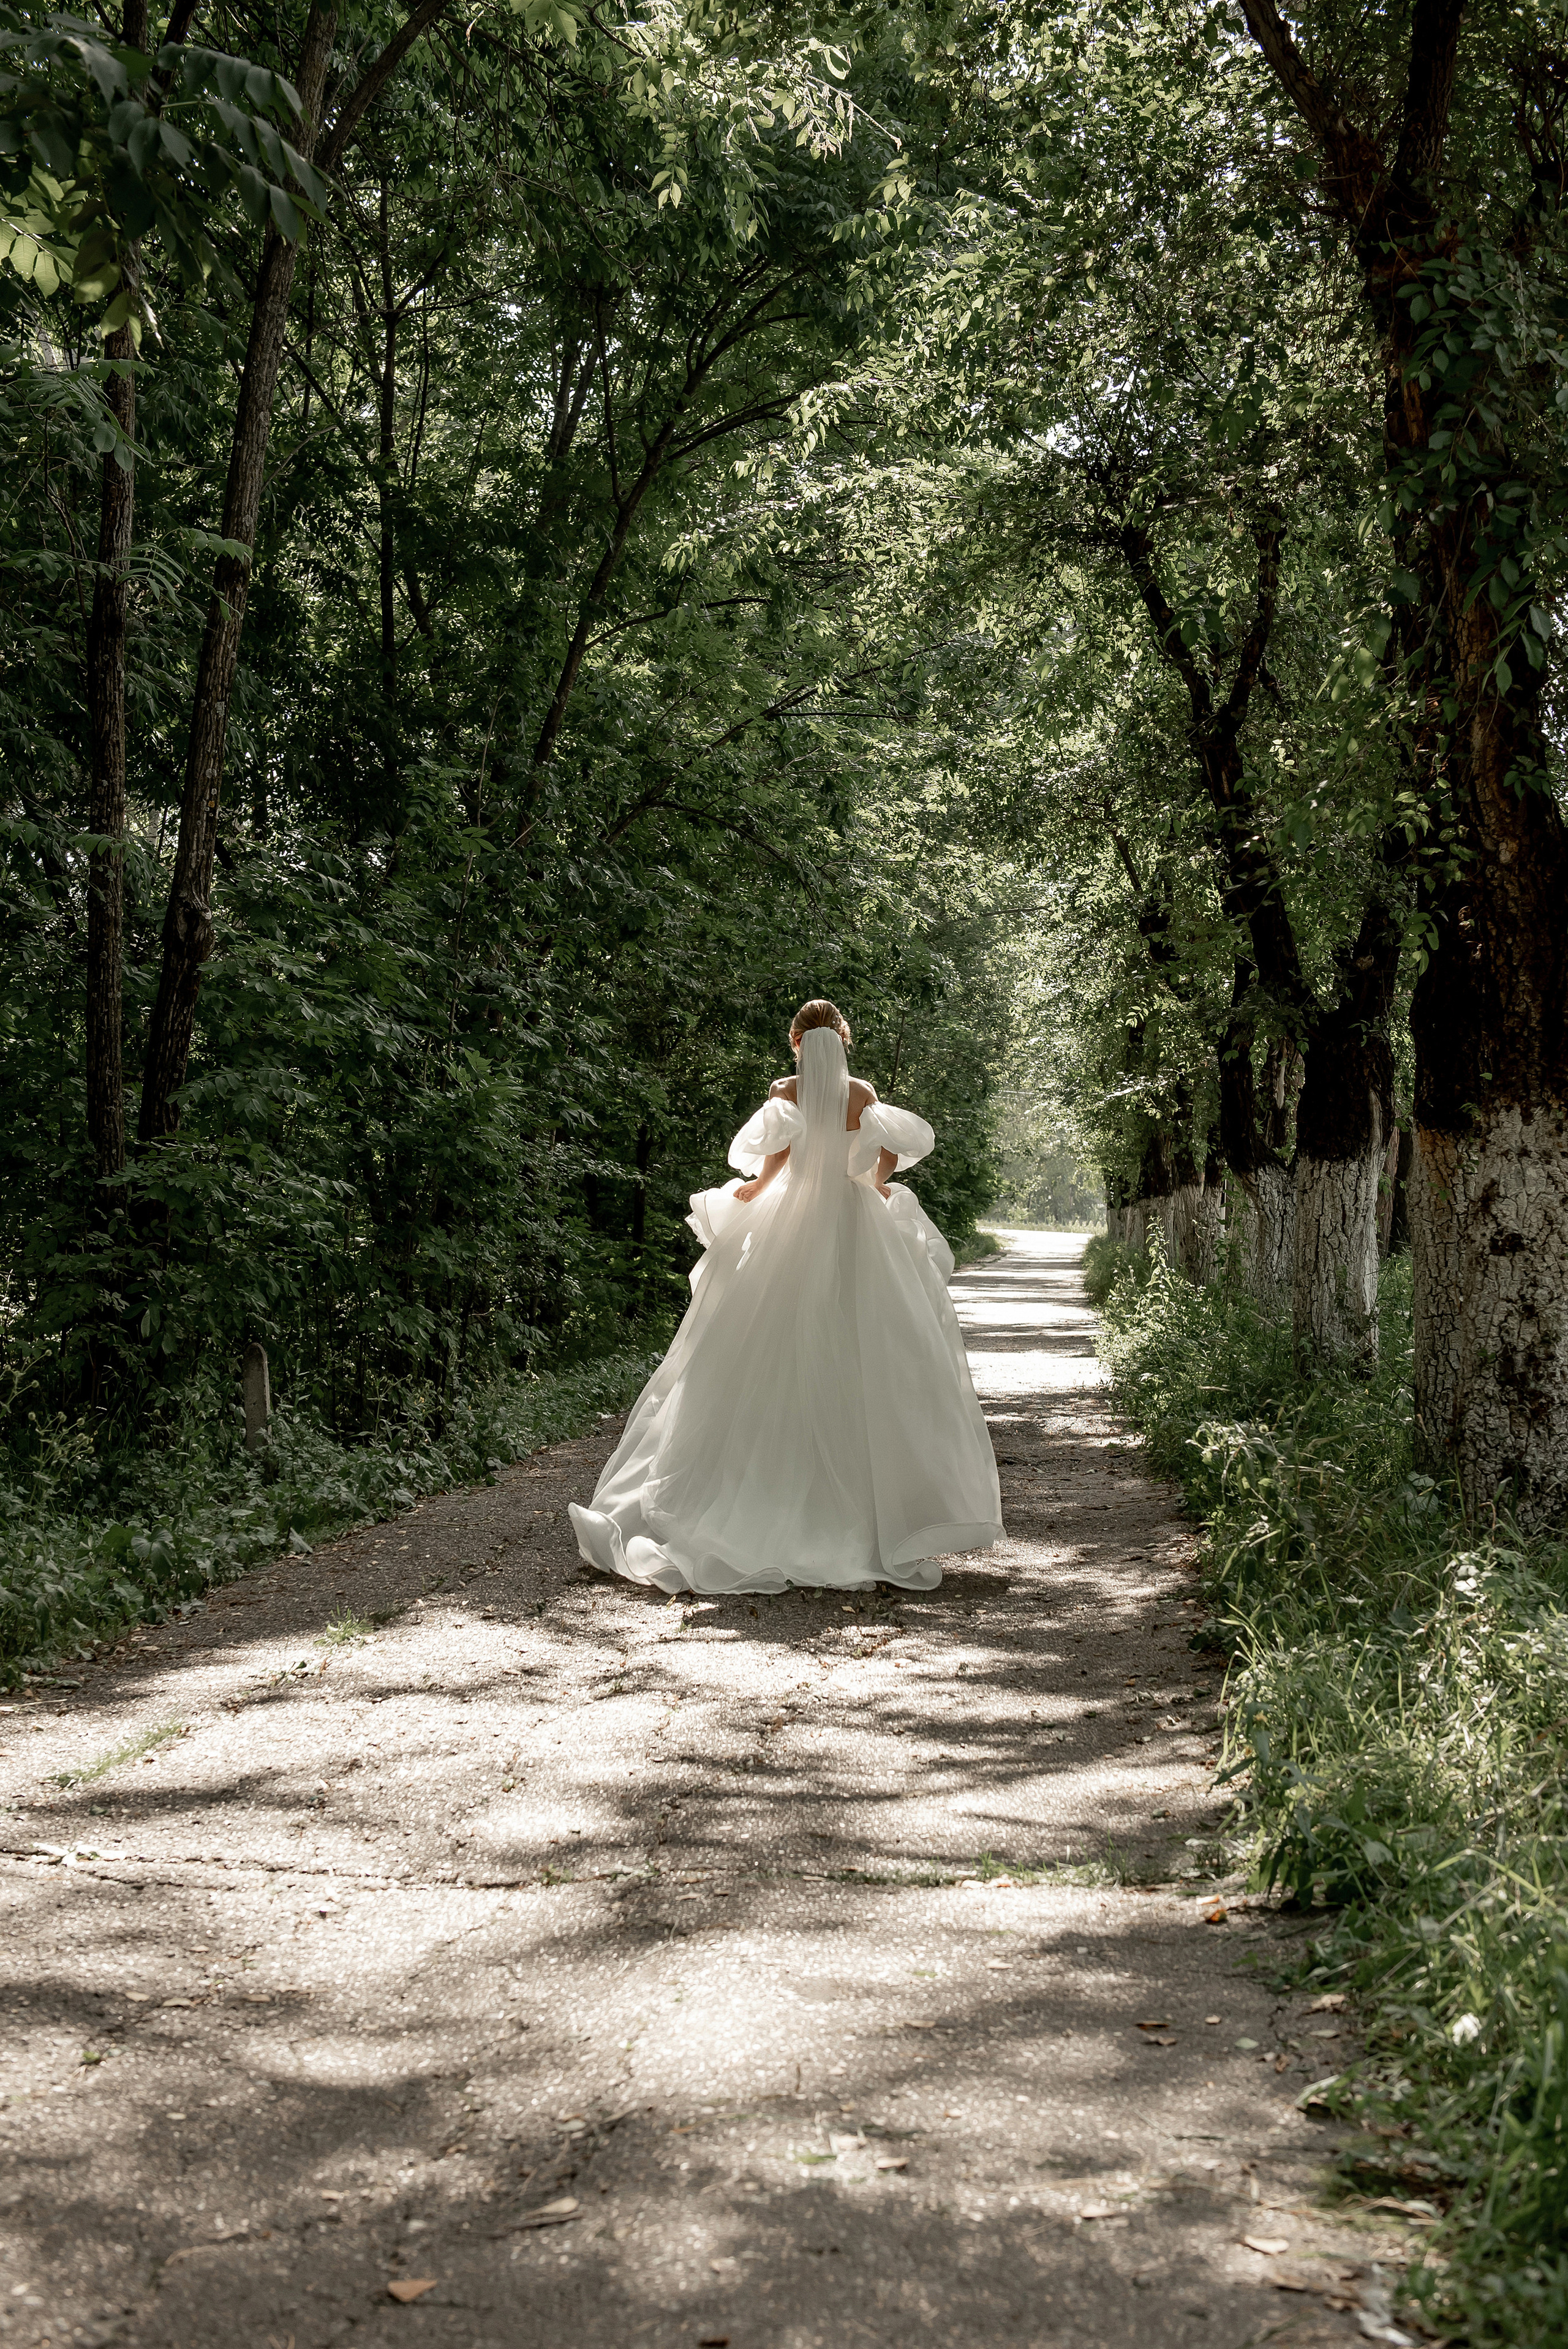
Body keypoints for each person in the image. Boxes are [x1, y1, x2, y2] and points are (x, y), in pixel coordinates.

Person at [568, 999, 1003, 1594]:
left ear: (797, 1042)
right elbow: (886, 1154)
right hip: (852, 1218)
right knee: (867, 1346)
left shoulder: (785, 1090)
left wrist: (753, 1194)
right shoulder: (861, 1093)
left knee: (758, 1347)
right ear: (843, 1039)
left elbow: (775, 1162)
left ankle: (754, 1490)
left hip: (792, 1216)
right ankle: (872, 1513)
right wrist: (870, 1185)